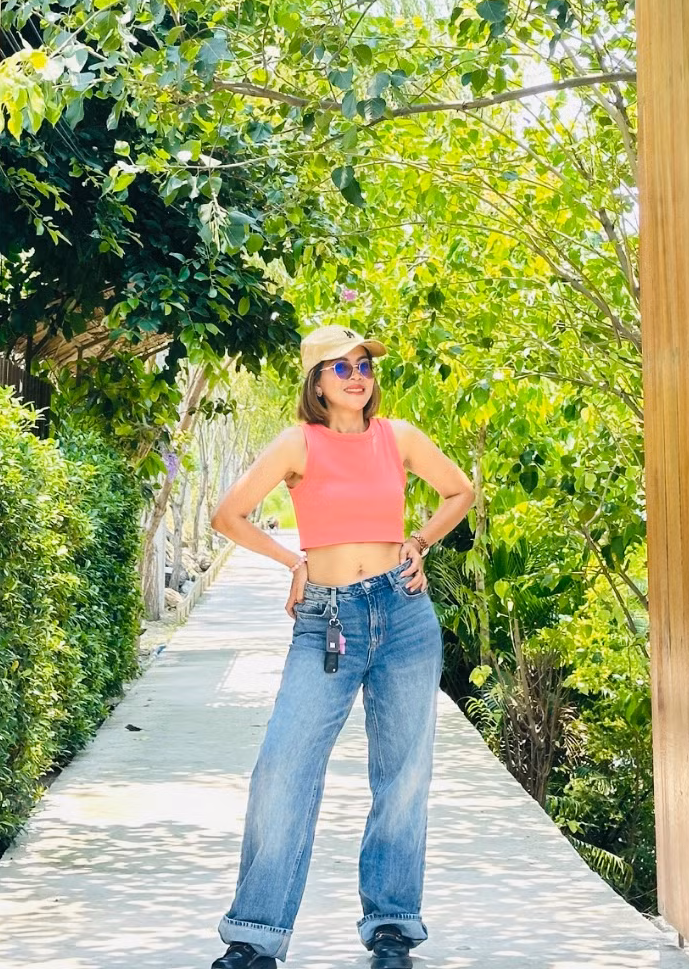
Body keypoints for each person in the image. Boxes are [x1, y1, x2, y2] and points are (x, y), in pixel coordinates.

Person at [208, 324, 475, 969]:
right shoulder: (298, 442)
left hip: (403, 613)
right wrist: (293, 562)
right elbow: (228, 515)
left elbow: (460, 491)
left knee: (403, 774)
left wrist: (419, 542)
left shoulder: (398, 436)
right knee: (283, 765)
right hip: (327, 618)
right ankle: (254, 936)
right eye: (342, 367)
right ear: (318, 382)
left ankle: (392, 928)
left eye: (364, 365)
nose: (358, 376)